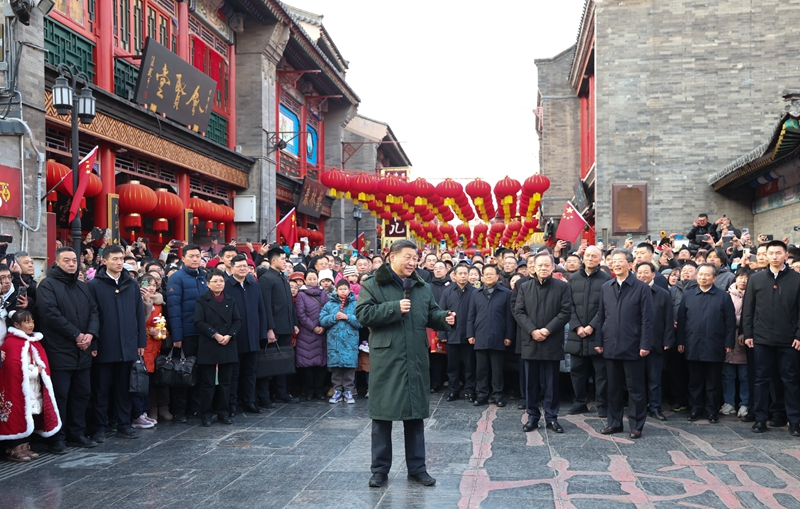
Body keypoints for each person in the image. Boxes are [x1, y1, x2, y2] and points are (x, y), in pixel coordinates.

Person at [356, 239, 455, 488]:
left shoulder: (421, 286)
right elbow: (362, 315)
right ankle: (379, 470)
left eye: (415, 257)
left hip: (416, 359)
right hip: (387, 361)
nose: (413, 262)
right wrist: (393, 308)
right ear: (392, 257)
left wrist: (445, 318)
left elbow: (430, 313)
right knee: (382, 417)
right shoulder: (372, 285)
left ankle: (417, 468)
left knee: (415, 417)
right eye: (408, 257)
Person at [37, 247, 100, 454]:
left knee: (82, 393)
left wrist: (90, 334)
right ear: (57, 262)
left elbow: (94, 311)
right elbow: (50, 315)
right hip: (59, 349)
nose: (72, 264)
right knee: (60, 395)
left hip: (83, 349)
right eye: (67, 260)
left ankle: (77, 433)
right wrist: (76, 334)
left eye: (74, 260)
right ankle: (57, 437)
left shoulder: (83, 286)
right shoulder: (47, 285)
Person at [88, 245, 147, 441]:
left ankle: (124, 424)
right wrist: (94, 344)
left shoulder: (131, 284)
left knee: (124, 389)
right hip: (104, 345)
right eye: (114, 259)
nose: (119, 262)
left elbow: (139, 314)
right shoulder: (94, 285)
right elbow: (92, 316)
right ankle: (100, 427)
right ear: (104, 261)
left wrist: (140, 342)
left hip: (128, 345)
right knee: (101, 390)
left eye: (121, 258)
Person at [742, 240, 800, 436]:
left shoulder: (796, 279)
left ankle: (794, 421)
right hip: (761, 338)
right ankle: (760, 419)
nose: (774, 256)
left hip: (789, 339)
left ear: (786, 255)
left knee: (790, 380)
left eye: (778, 253)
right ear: (765, 256)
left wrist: (799, 334)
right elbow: (748, 309)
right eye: (771, 253)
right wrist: (748, 333)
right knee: (761, 379)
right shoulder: (756, 279)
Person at [595, 249, 653, 439]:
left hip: (633, 346)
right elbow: (601, 317)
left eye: (621, 261)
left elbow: (647, 319)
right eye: (614, 261)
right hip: (610, 345)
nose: (617, 264)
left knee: (635, 389)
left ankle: (636, 425)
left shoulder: (641, 288)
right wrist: (599, 341)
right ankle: (614, 423)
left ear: (630, 264)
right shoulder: (606, 287)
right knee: (613, 388)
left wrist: (645, 344)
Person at [513, 252, 572, 434]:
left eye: (547, 265)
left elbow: (565, 312)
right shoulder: (524, 287)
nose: (543, 268)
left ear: (553, 267)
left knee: (551, 382)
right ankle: (532, 416)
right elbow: (519, 311)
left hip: (551, 340)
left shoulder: (561, 288)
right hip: (531, 340)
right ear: (534, 267)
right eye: (540, 265)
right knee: (531, 382)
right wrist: (533, 330)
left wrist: (547, 330)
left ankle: (551, 417)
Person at [676, 263, 736, 423]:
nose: (703, 277)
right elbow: (681, 321)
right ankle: (695, 409)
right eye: (701, 274)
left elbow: (730, 322)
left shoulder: (723, 296)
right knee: (694, 381)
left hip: (715, 344)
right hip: (692, 344)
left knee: (713, 382)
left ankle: (712, 411)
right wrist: (680, 341)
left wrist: (729, 342)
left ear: (714, 278)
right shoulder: (688, 295)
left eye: (707, 275)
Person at [0, 310, 61, 462]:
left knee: (30, 415)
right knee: (17, 414)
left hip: (33, 387)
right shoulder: (12, 343)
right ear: (16, 325)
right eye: (27, 322)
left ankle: (25, 445)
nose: (31, 325)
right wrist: (35, 371)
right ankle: (14, 448)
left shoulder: (33, 341)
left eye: (32, 321)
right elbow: (14, 368)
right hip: (18, 388)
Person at [566, 246, 612, 417]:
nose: (591, 258)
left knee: (601, 372)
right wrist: (577, 326)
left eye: (595, 256)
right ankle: (580, 402)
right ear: (582, 258)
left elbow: (606, 307)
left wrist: (592, 326)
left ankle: (602, 404)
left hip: (597, 333)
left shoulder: (607, 279)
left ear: (600, 259)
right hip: (576, 333)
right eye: (588, 256)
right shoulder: (573, 279)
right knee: (577, 371)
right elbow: (568, 305)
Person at [165, 244, 207, 422]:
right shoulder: (177, 278)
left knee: (200, 371)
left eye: (198, 256)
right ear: (183, 258)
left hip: (203, 333)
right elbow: (174, 309)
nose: (195, 259)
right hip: (186, 332)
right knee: (183, 371)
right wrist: (177, 336)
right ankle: (179, 410)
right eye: (191, 256)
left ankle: (195, 408)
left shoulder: (204, 277)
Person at [194, 269, 241, 427]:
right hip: (210, 343)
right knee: (207, 383)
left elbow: (237, 320)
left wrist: (229, 335)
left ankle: (223, 412)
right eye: (215, 281)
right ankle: (206, 414)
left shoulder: (230, 299)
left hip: (228, 343)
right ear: (208, 284)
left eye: (221, 281)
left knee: (226, 382)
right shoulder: (202, 300)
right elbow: (199, 322)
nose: (219, 284)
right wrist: (215, 335)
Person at [226, 254, 268, 416]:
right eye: (239, 266)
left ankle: (249, 401)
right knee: (234, 373)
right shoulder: (227, 286)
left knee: (251, 372)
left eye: (246, 266)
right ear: (231, 268)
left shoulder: (254, 285)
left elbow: (261, 310)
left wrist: (262, 332)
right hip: (235, 337)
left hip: (252, 336)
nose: (243, 269)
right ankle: (232, 404)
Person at [467, 264, 514, 407]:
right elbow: (471, 316)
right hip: (480, 336)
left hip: (499, 337)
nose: (488, 276)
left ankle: (497, 395)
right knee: (481, 369)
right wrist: (470, 334)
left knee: (497, 369)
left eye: (491, 274)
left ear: (497, 276)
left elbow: (509, 318)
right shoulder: (476, 293)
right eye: (485, 274)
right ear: (482, 277)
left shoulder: (506, 293)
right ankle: (482, 394)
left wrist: (509, 336)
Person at [259, 245, 300, 405]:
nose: (285, 262)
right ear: (274, 260)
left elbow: (289, 303)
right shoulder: (266, 279)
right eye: (283, 259)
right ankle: (265, 395)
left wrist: (294, 323)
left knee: (283, 362)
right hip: (274, 328)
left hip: (286, 325)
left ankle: (282, 392)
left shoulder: (283, 277)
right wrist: (269, 328)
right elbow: (266, 306)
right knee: (267, 362)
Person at [635, 261, 675, 421]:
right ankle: (639, 407)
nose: (642, 275)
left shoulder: (663, 294)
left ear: (653, 274)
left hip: (656, 342)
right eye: (639, 272)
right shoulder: (631, 291)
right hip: (635, 343)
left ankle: (655, 407)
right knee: (637, 379)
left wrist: (667, 340)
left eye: (646, 272)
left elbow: (668, 319)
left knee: (654, 379)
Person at [440, 263, 477, 402]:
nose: (463, 276)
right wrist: (442, 334)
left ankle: (470, 391)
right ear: (454, 276)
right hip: (452, 335)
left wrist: (473, 334)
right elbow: (441, 314)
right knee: (452, 366)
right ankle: (453, 390)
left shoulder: (474, 291)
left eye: (465, 273)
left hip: (469, 336)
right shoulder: (447, 292)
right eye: (460, 273)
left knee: (469, 366)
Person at [320, 280, 361, 404]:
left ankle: (349, 390)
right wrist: (333, 317)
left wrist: (347, 317)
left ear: (350, 290)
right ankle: (337, 390)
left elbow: (361, 321)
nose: (343, 291)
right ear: (336, 290)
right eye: (340, 289)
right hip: (334, 341)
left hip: (350, 341)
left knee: (349, 368)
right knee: (336, 368)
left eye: (345, 289)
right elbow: (322, 320)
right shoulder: (329, 304)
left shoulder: (355, 304)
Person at [295, 270, 329, 401]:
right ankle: (309, 391)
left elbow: (328, 310)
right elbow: (301, 315)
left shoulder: (323, 294)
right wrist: (314, 327)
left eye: (314, 278)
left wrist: (323, 326)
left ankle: (319, 390)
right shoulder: (301, 295)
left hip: (322, 332)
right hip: (307, 333)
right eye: (309, 279)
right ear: (305, 280)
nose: (312, 281)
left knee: (321, 364)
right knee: (307, 364)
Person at [723, 269, 750, 419]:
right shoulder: (727, 295)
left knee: (744, 375)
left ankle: (745, 403)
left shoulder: (753, 295)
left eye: (746, 278)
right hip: (728, 338)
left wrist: (744, 330)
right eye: (740, 277)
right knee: (727, 374)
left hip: (744, 339)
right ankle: (729, 402)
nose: (743, 280)